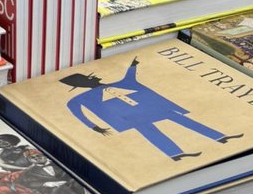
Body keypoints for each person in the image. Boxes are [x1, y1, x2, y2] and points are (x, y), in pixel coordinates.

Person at [59, 56, 242, 160]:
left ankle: (220, 137)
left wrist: (132, 65)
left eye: (92, 77)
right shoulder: (81, 98)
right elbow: (74, 109)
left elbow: (129, 79)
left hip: (152, 107)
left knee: (184, 121)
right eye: (90, 79)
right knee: (152, 133)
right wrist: (93, 126)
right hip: (130, 117)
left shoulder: (119, 83)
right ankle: (176, 154)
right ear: (85, 84)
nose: (95, 79)